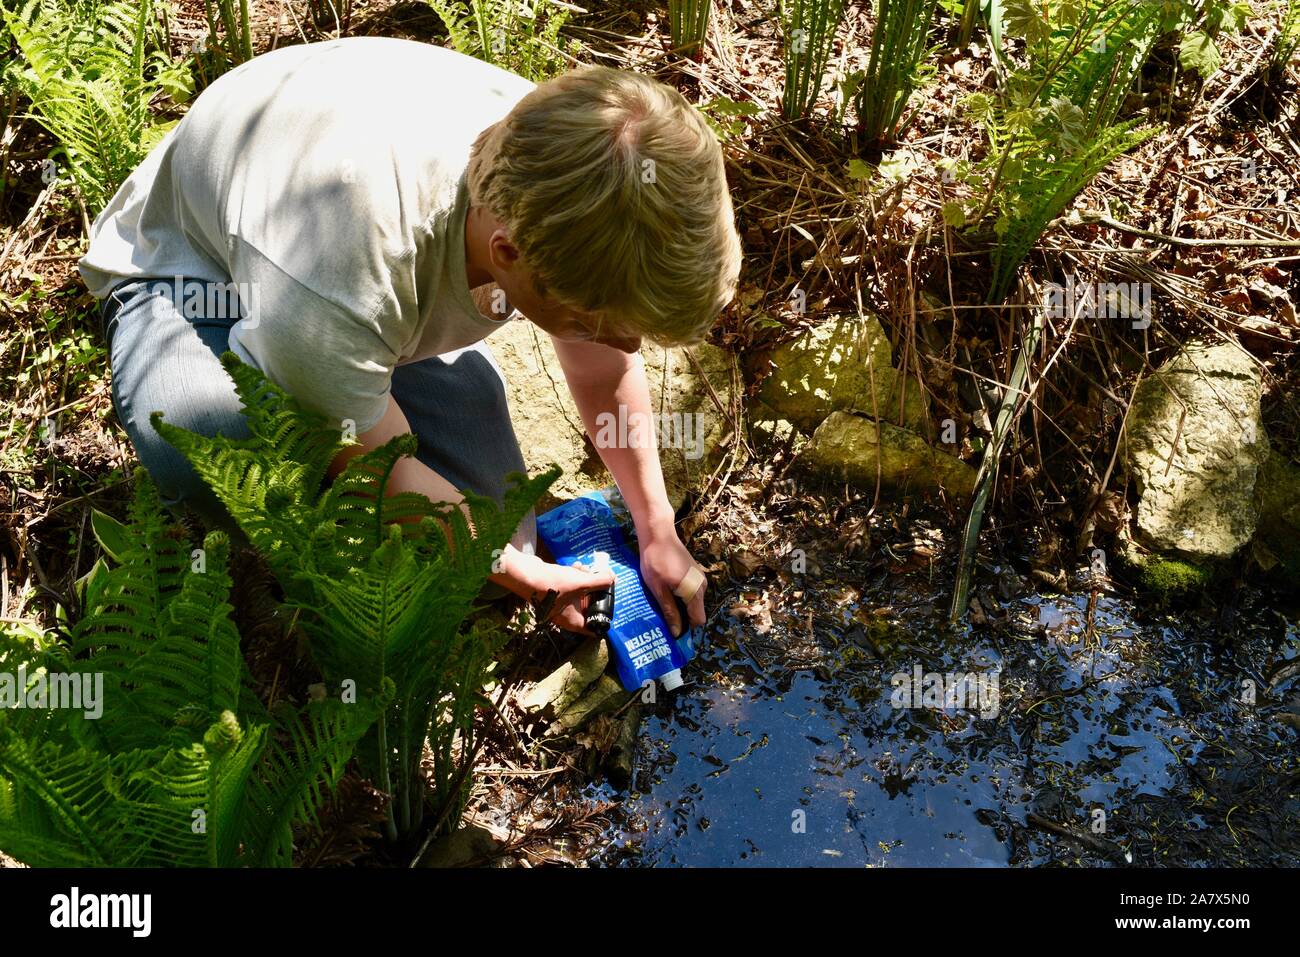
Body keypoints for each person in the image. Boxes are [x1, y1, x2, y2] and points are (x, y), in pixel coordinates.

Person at [79, 36, 742, 637]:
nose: (624, 349)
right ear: (509, 254)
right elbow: (374, 464)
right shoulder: (345, 272)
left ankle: (363, 376)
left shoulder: (574, 159)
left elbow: (602, 367)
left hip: (328, 280)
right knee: (215, 449)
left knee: (500, 523)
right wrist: (529, 580)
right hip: (192, 271)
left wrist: (656, 527)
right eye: (595, 324)